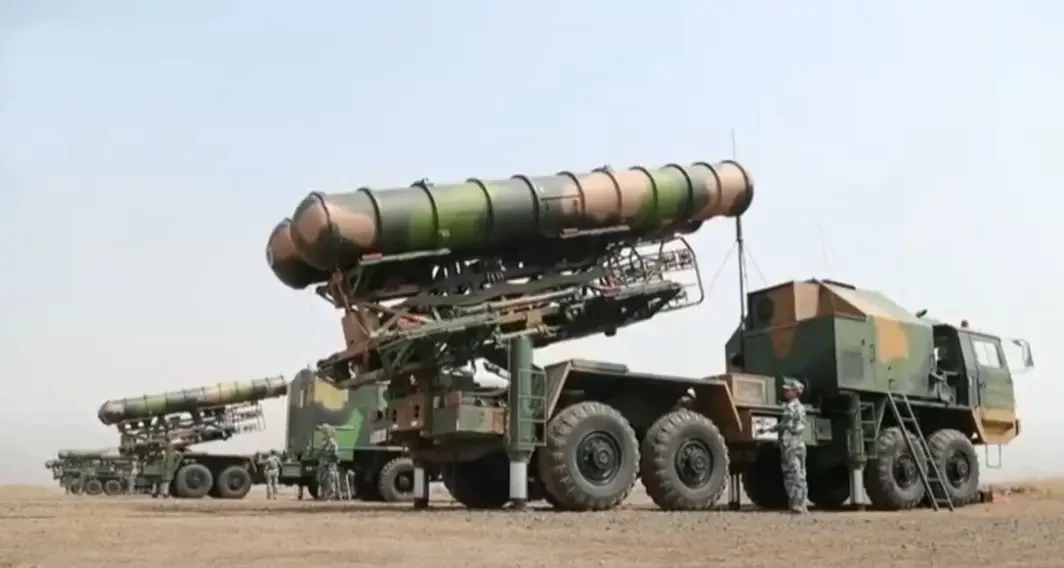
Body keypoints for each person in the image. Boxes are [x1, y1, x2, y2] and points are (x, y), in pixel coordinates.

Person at [760, 378, 808, 514]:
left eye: (788, 390)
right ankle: (802, 503)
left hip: (790, 444)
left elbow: (783, 425)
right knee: (801, 474)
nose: (785, 392)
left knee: (791, 474)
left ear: (795, 392)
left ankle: (795, 504)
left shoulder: (790, 407)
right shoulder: (801, 407)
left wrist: (767, 429)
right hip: (800, 443)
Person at [318, 424, 341, 501]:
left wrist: (327, 459)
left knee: (329, 481)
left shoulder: (332, 444)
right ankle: (324, 495)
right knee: (322, 480)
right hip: (323, 465)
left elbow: (334, 455)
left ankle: (329, 496)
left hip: (329, 466)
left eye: (324, 432)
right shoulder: (325, 444)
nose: (322, 434)